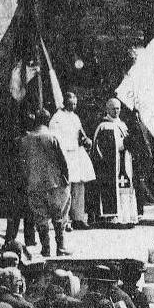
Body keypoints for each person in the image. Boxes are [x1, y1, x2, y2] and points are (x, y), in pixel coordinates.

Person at [19, 110, 71, 257]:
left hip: (34, 184)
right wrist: (66, 179)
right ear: (48, 121)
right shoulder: (53, 137)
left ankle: (45, 249)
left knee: (40, 218)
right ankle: (60, 247)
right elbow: (63, 161)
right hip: (54, 184)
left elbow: (22, 164)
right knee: (58, 216)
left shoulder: (25, 140)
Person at [49, 90, 95, 228]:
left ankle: (78, 218)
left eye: (75, 103)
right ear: (64, 102)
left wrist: (86, 139)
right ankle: (64, 220)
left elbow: (81, 133)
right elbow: (54, 139)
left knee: (79, 186)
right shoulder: (57, 118)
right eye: (71, 103)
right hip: (65, 155)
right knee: (66, 188)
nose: (73, 106)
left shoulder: (75, 117)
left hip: (77, 155)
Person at [91, 97, 139, 227]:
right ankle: (114, 218)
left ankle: (126, 216)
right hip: (111, 167)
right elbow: (102, 149)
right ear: (107, 109)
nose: (116, 111)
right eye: (113, 108)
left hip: (124, 163)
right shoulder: (104, 126)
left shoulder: (122, 125)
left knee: (125, 188)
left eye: (118, 108)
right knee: (115, 189)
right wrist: (123, 146)